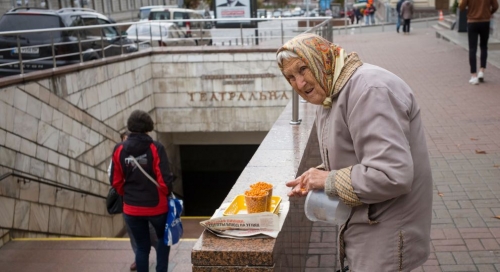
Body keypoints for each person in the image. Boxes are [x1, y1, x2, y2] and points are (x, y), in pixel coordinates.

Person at [276, 33, 433, 271]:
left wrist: (328, 179)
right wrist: (316, 176)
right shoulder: (331, 90)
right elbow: (359, 153)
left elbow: (393, 175)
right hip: (367, 222)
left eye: (303, 69)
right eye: (290, 77)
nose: (299, 83)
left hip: (386, 228)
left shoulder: (369, 90)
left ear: (322, 60)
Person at [110, 110, 174, 272]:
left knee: (142, 246)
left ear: (130, 127)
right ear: (148, 127)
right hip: (157, 207)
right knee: (162, 241)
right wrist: (166, 194)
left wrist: (129, 195)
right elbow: (165, 182)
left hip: (131, 208)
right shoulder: (155, 148)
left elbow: (115, 182)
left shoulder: (119, 149)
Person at [107, 131, 159, 271]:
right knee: (133, 232)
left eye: (128, 139)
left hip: (147, 200)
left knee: (151, 230)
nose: (127, 142)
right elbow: (112, 177)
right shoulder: (118, 154)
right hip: (129, 201)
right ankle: (139, 257)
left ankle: (158, 249)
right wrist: (126, 193)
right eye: (124, 139)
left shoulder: (148, 152)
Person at [459, 0, 499, 85]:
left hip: (472, 22)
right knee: (484, 46)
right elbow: (495, 6)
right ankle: (481, 70)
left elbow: (461, 7)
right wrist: (489, 13)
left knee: (472, 48)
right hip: (485, 21)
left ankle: (474, 76)